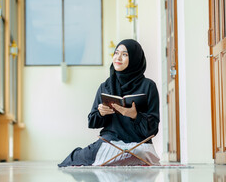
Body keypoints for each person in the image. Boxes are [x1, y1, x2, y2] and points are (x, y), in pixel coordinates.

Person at [58, 39, 160, 167]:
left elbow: (153, 129)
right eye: (116, 53)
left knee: (136, 154)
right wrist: (101, 113)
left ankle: (121, 158)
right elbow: (92, 121)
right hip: (111, 143)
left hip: (139, 145)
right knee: (75, 158)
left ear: (135, 58)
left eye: (125, 54)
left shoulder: (148, 86)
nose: (118, 58)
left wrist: (135, 115)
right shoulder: (106, 86)